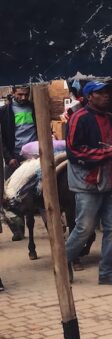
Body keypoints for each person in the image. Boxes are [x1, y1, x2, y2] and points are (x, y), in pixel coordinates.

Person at [65, 81, 112, 286]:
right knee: (84, 228)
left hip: (110, 180)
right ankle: (63, 262)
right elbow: (74, 151)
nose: (105, 96)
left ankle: (107, 273)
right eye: (99, 93)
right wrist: (105, 152)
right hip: (88, 182)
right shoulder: (78, 118)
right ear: (89, 97)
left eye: (106, 92)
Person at [0, 86, 38, 240]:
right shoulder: (5, 112)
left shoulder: (34, 109)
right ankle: (17, 228)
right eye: (20, 94)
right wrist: (8, 157)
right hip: (14, 155)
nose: (23, 97)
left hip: (33, 155)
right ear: (13, 93)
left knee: (37, 189)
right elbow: (2, 138)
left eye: (26, 95)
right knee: (11, 193)